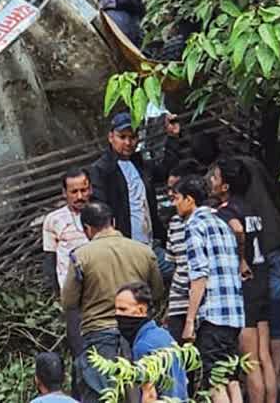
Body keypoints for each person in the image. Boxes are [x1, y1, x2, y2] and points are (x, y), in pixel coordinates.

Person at [61, 202, 164, 403]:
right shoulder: (143, 251)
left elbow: (69, 301)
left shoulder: (81, 256)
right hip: (138, 336)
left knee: (101, 395)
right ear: (114, 222)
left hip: (98, 337)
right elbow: (157, 291)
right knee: (142, 393)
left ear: (87, 229)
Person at [211, 158, 277, 403]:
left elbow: (237, 229)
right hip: (262, 282)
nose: (211, 182)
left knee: (250, 361)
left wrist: (240, 259)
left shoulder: (226, 212)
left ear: (226, 186)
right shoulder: (251, 208)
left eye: (215, 178)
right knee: (264, 355)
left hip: (245, 288)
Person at [174, 175, 243, 403]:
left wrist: (189, 321)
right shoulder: (222, 223)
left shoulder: (194, 226)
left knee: (214, 381)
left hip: (212, 315)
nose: (174, 204)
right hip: (233, 314)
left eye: (176, 198)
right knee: (231, 378)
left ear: (189, 200)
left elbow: (199, 276)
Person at [87, 112, 181, 246]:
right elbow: (100, 209)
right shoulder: (101, 170)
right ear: (111, 137)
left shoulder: (140, 163)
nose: (128, 142)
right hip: (123, 245)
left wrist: (173, 137)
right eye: (122, 137)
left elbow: (164, 170)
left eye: (132, 137)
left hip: (152, 241)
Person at [42, 170, 92, 357]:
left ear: (90, 189)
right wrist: (57, 295)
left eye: (84, 190)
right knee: (79, 348)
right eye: (74, 192)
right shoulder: (53, 220)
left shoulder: (100, 213)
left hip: (100, 291)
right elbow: (50, 259)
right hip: (72, 294)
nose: (80, 196)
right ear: (64, 193)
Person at [115, 281, 188, 402]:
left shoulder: (143, 346)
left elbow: (149, 395)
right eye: (116, 309)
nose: (117, 314)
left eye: (123, 309)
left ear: (141, 309)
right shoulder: (163, 335)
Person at [163, 160, 205, 344]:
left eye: (176, 191)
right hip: (178, 303)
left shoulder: (208, 222)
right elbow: (176, 265)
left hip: (204, 302)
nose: (172, 195)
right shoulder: (174, 223)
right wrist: (169, 307)